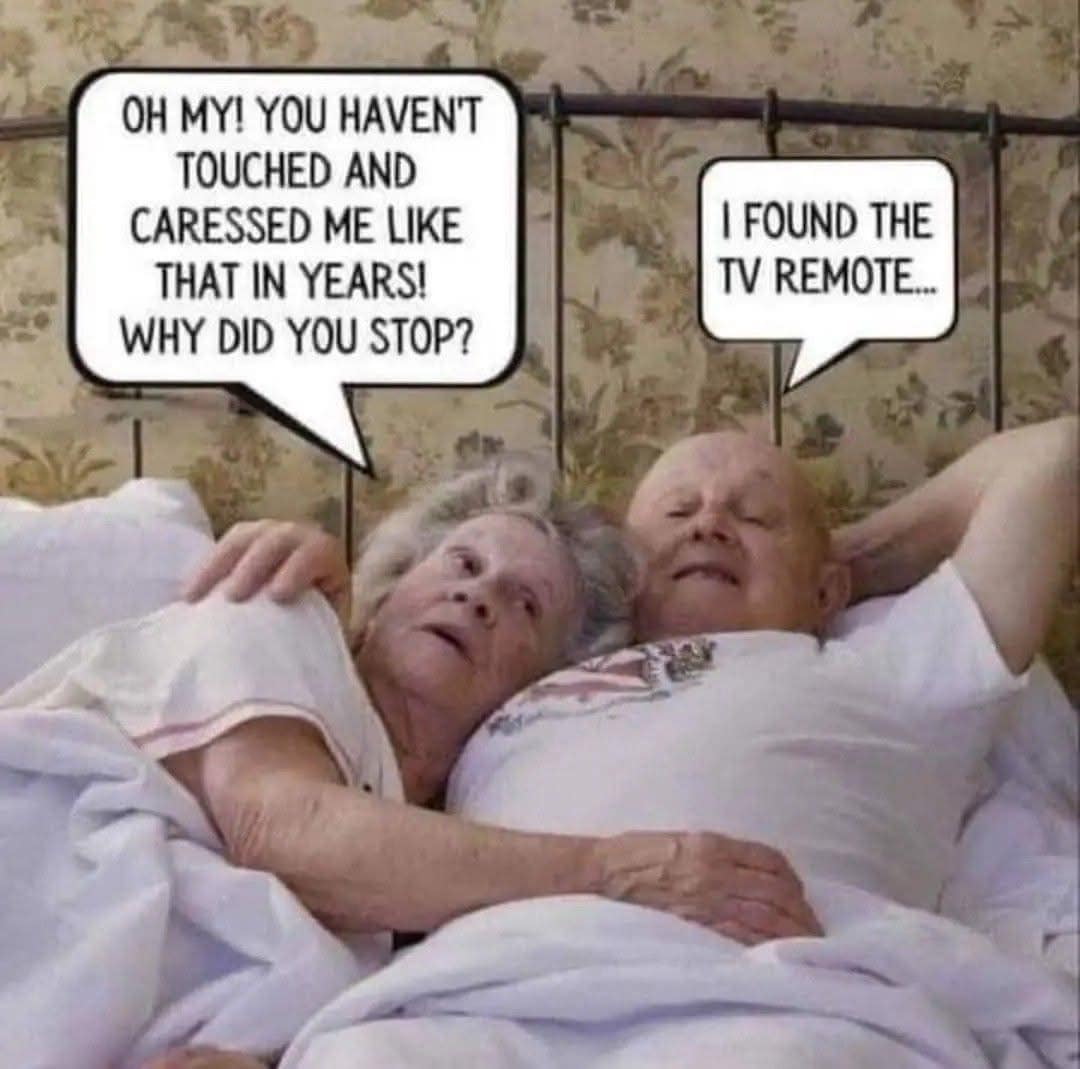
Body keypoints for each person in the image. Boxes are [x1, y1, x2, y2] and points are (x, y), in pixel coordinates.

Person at [155, 416, 1076, 1069]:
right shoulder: (513, 682)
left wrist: (829, 571)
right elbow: (347, 833)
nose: (709, 521)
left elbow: (1054, 458)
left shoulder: (887, 664)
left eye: (754, 514)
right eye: (677, 513)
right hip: (468, 1003)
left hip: (772, 994)